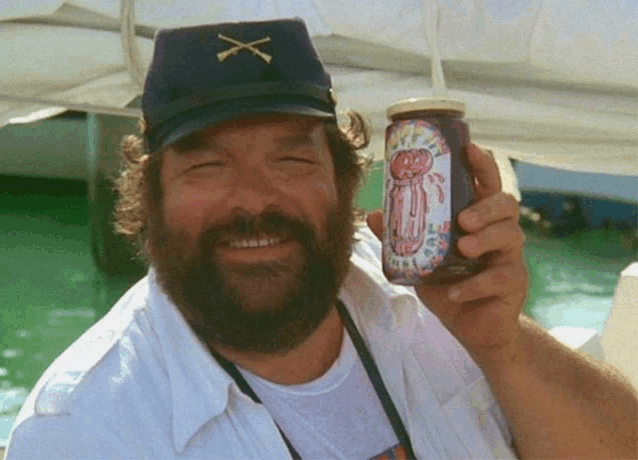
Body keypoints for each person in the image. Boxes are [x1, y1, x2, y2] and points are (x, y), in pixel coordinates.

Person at [5, 18, 637, 460]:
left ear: (343, 182)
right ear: (151, 199)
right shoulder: (82, 431)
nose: (253, 199)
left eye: (291, 162)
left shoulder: (435, 308)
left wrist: (504, 344)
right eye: (207, 166)